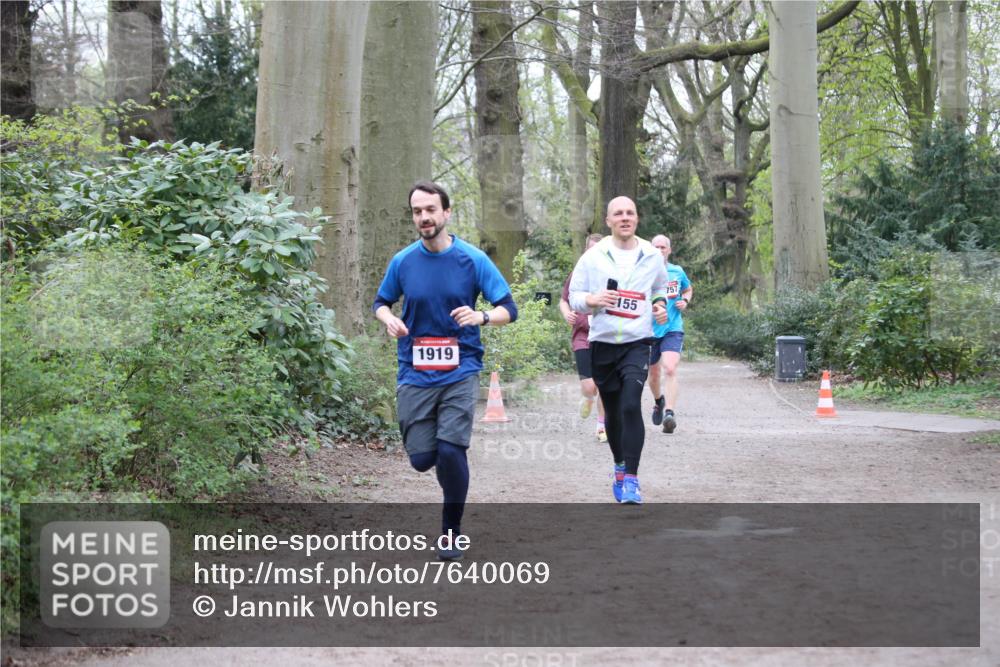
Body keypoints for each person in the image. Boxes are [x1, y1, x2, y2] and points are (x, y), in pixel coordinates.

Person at [373, 180, 517, 559]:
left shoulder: (473, 260)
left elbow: (509, 309)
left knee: (452, 452)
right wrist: (389, 319)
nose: (424, 217)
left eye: (431, 210)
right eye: (417, 211)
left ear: (446, 213)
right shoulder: (403, 261)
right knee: (422, 459)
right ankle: (447, 466)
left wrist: (481, 316)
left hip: (460, 368)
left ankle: (451, 533)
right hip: (414, 371)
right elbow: (381, 302)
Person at [568, 196, 669, 504]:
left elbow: (660, 288)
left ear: (636, 219)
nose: (625, 218)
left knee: (630, 405)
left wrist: (659, 305)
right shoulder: (593, 257)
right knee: (612, 411)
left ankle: (632, 482)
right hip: (603, 342)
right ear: (608, 220)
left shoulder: (651, 255)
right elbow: (574, 296)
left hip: (638, 342)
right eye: (619, 213)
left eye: (630, 213)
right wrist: (592, 300)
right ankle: (620, 467)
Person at [559, 233, 607, 442]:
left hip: (604, 335)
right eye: (591, 249)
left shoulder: (611, 274)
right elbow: (564, 300)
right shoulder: (578, 273)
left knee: (603, 384)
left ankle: (601, 426)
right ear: (586, 250)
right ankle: (588, 398)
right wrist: (566, 314)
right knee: (590, 386)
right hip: (582, 335)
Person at [648, 235, 693, 434]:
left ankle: (669, 413)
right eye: (656, 247)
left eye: (663, 247)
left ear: (669, 250)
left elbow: (688, 289)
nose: (659, 250)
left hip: (672, 327)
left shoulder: (677, 271)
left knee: (670, 367)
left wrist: (685, 300)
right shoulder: (643, 272)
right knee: (653, 374)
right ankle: (659, 400)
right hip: (648, 330)